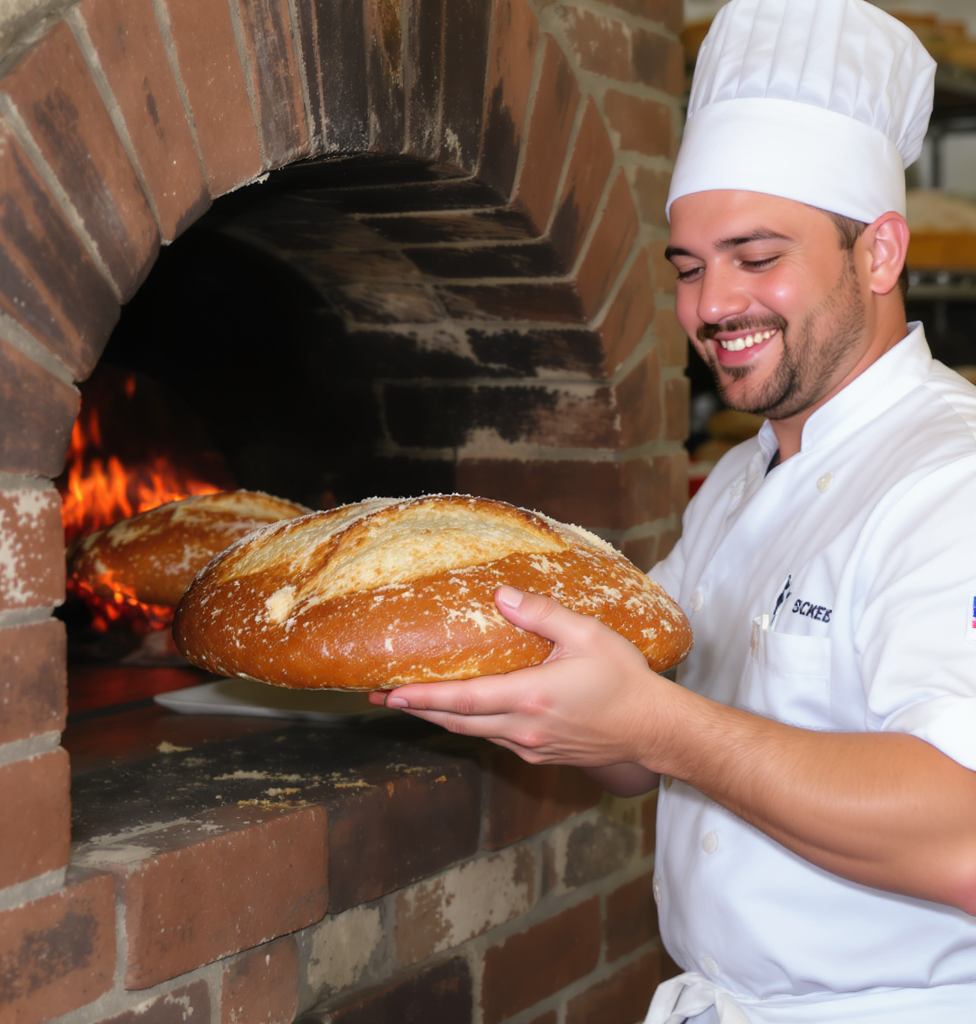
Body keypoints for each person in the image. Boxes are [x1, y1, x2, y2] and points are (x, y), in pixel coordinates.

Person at [370, 0, 976, 1020]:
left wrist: (655, 724)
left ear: (878, 253)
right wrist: (515, 686)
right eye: (689, 268)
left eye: (756, 256)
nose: (708, 308)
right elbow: (634, 756)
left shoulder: (949, 475)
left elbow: (958, 835)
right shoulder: (744, 478)